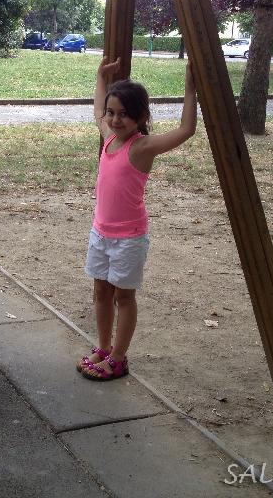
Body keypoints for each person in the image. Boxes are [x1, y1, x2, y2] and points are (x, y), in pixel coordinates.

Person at [78, 57, 197, 381]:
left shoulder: (142, 147)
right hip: (100, 234)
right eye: (112, 112)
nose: (115, 119)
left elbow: (186, 130)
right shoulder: (108, 137)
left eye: (124, 114)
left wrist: (190, 89)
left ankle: (118, 358)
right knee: (101, 293)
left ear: (141, 117)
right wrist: (100, 76)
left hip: (128, 239)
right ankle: (104, 347)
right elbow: (97, 110)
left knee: (123, 297)